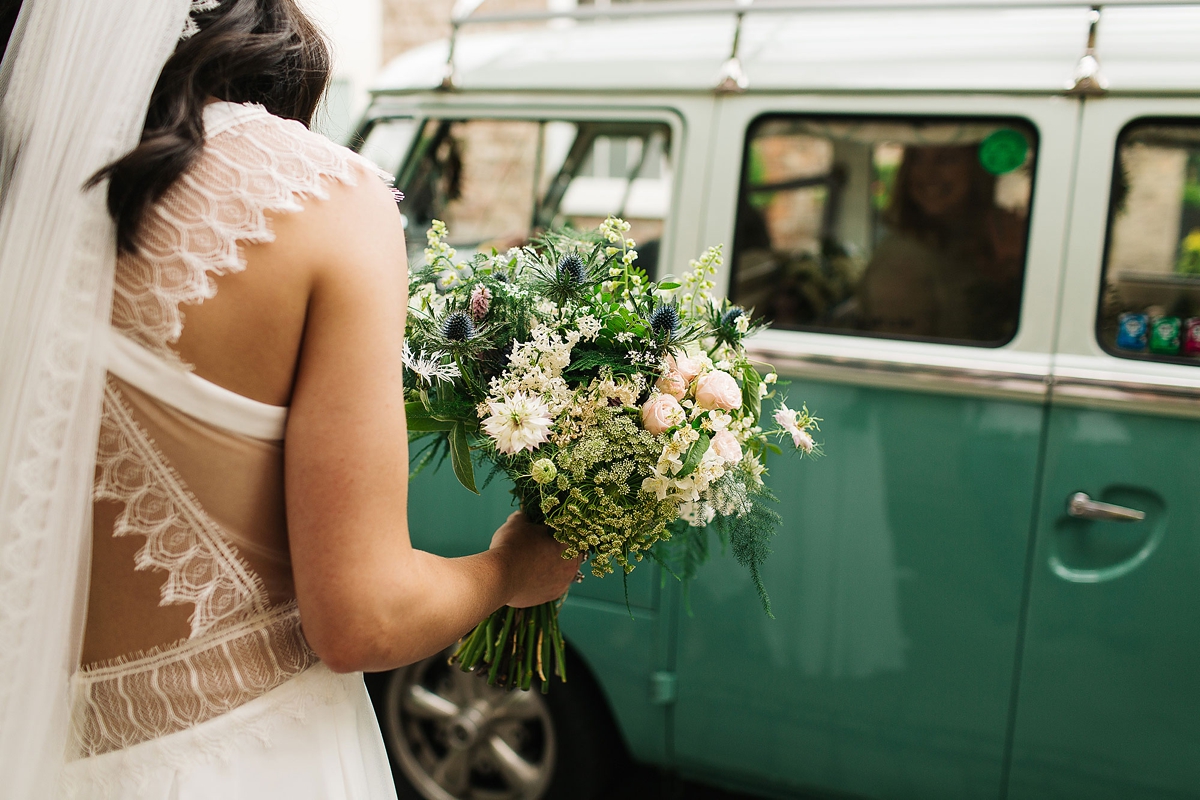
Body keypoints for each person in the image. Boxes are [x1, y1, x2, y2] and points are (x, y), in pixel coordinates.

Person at [0, 1, 581, 797]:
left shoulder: (23, 193)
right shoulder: (315, 198)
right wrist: (511, 568)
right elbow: (361, 618)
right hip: (243, 765)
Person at [857, 143, 1026, 343]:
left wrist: (1010, 269)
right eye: (917, 160)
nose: (928, 174)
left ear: (976, 169)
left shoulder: (975, 242)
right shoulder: (903, 260)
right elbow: (900, 360)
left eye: (946, 159)